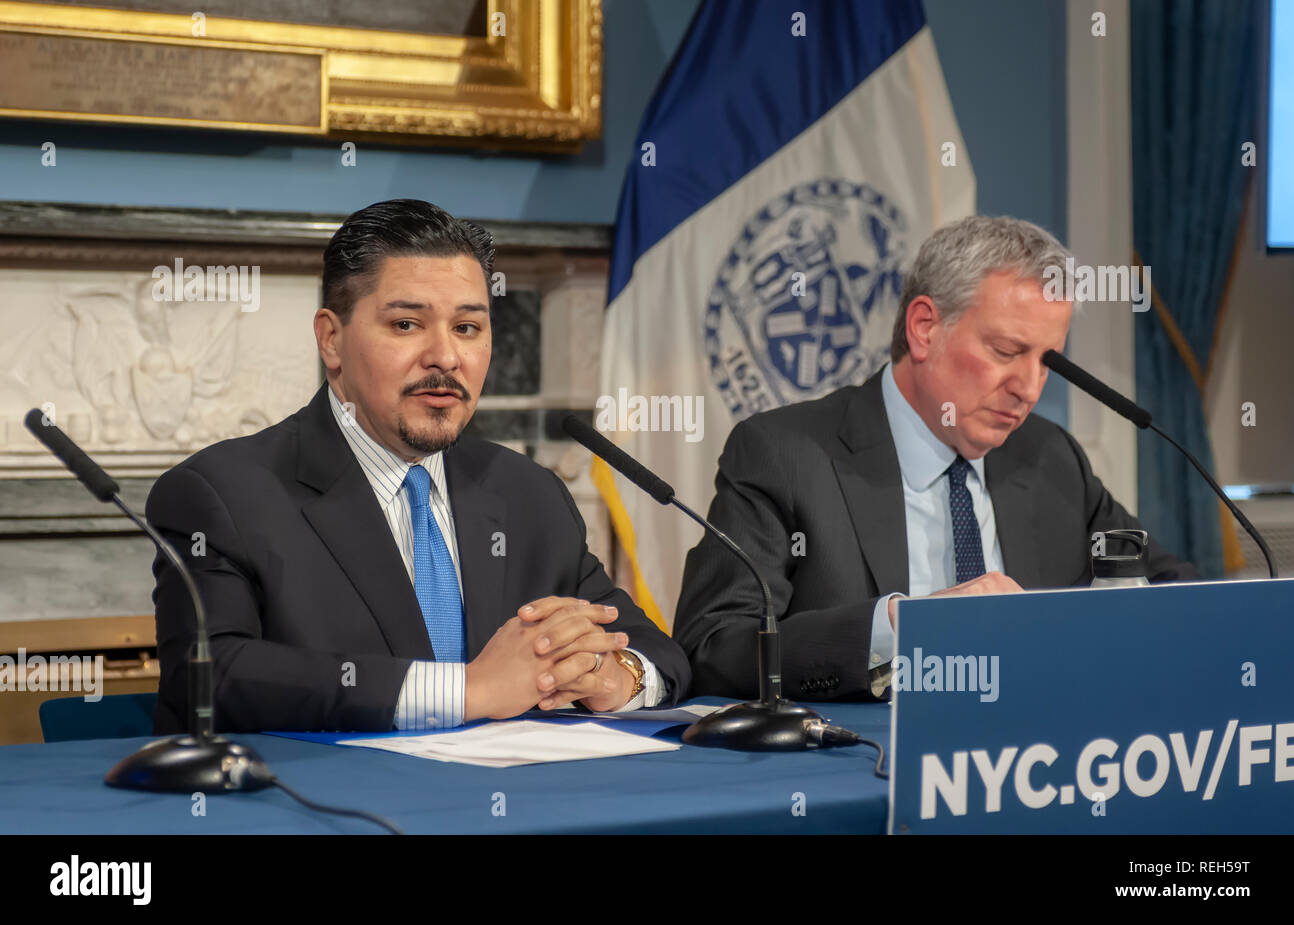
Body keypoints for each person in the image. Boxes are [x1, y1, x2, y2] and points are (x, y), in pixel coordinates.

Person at [148, 199, 689, 733]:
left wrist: (612, 677)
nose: (445, 358)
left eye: (468, 328)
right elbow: (210, 677)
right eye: (407, 324)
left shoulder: (528, 493)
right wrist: (469, 690)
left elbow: (656, 651)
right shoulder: (223, 493)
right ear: (331, 340)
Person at [674, 215, 1196, 702]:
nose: (1029, 388)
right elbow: (715, 647)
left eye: (1048, 362)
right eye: (1007, 352)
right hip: (862, 771)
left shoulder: (1049, 456)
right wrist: (901, 627)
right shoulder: (784, 453)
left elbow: (1172, 591)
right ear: (924, 328)